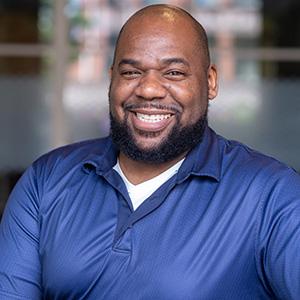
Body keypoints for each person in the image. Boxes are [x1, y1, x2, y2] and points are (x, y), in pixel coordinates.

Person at [0, 4, 300, 300]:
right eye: (131, 72)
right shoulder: (47, 180)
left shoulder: (272, 196)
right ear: (112, 79)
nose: (148, 89)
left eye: (173, 73)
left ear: (210, 82)